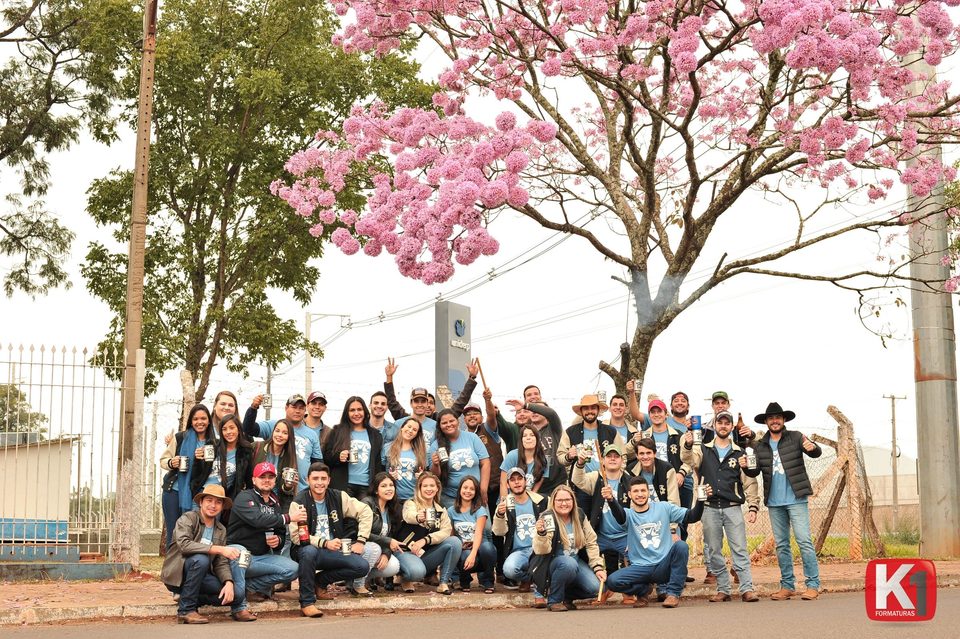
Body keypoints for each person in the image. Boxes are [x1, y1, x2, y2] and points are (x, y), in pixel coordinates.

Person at [681, 410, 761, 602]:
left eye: (727, 423)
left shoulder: (739, 452)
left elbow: (750, 482)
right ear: (715, 426)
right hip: (709, 508)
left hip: (732, 507)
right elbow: (688, 460)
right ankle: (723, 589)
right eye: (720, 423)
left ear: (731, 427)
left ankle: (746, 588)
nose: (723, 426)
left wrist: (753, 506)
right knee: (713, 550)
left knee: (739, 548)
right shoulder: (703, 449)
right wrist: (688, 444)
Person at [753, 401, 823, 601]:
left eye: (778, 417)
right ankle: (787, 585)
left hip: (796, 498)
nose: (774, 421)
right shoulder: (760, 445)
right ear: (766, 422)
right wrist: (745, 466)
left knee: (804, 541)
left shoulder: (795, 437)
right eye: (771, 418)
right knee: (782, 545)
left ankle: (813, 585)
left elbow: (815, 452)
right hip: (774, 501)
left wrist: (813, 447)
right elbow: (754, 471)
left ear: (783, 420)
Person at [605, 477, 706, 608]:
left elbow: (692, 516)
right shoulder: (628, 514)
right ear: (629, 494)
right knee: (612, 581)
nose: (640, 494)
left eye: (643, 490)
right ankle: (643, 591)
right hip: (640, 568)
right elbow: (619, 515)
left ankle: (673, 594)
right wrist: (611, 500)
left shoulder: (664, 508)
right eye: (635, 491)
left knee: (681, 546)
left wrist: (701, 500)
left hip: (663, 565)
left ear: (649, 492)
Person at [288, 462, 374, 617]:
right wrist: (325, 543)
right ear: (308, 480)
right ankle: (307, 602)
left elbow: (365, 511)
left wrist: (361, 540)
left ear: (329, 480)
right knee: (309, 551)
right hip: (305, 550)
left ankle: (320, 581)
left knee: (361, 566)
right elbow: (296, 537)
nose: (319, 482)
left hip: (332, 550)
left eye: (323, 478)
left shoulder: (339, 497)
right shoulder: (299, 502)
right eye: (315, 478)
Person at [161, 485, 256, 624]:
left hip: (203, 576)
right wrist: (217, 549)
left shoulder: (220, 529)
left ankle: (191, 598)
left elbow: (220, 562)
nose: (213, 505)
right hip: (179, 574)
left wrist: (228, 582)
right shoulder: (188, 518)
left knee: (238, 594)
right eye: (209, 500)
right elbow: (184, 545)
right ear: (201, 502)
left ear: (222, 506)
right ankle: (186, 610)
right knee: (201, 559)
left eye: (218, 502)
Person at [225, 462, 303, 603]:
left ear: (275, 480)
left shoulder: (275, 502)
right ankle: (239, 601)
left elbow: (280, 532)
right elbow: (258, 519)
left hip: (261, 557)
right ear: (254, 480)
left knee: (294, 569)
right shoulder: (244, 497)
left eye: (270, 477)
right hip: (238, 554)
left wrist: (278, 540)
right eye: (262, 477)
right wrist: (288, 517)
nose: (267, 480)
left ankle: (249, 587)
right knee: (241, 554)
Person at [570, 442, 635, 605]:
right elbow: (578, 480)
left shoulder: (630, 480)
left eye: (616, 456)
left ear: (622, 460)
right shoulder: (596, 477)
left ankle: (629, 591)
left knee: (634, 558)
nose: (612, 459)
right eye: (609, 456)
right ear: (603, 460)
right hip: (601, 535)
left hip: (624, 534)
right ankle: (603, 590)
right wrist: (580, 463)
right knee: (586, 555)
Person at [530, 485, 606, 612]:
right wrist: (541, 534)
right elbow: (541, 551)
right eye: (559, 500)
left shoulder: (579, 515)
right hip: (552, 563)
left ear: (573, 501)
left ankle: (566, 597)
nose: (564, 503)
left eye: (567, 500)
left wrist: (597, 567)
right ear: (553, 502)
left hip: (574, 561)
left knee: (597, 588)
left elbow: (591, 542)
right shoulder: (548, 517)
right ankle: (554, 600)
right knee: (568, 563)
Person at [160, 404, 216, 548]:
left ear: (209, 420)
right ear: (191, 421)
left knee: (193, 533)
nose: (199, 422)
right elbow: (163, 460)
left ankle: (190, 562)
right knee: (174, 532)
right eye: (195, 419)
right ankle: (172, 561)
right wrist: (172, 462)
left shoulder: (214, 442)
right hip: (174, 491)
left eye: (203, 418)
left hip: (198, 493)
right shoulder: (180, 438)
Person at [243, 394, 323, 492]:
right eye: (294, 407)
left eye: (301, 408)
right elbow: (248, 428)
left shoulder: (312, 434)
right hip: (273, 488)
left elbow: (318, 465)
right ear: (286, 408)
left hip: (302, 490)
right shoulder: (275, 425)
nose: (297, 411)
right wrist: (253, 408)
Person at [399, 472, 463, 593]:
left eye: (432, 486)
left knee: (455, 542)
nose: (429, 489)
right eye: (425, 486)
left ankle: (443, 583)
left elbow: (446, 531)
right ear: (419, 488)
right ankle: (405, 577)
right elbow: (408, 516)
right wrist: (418, 517)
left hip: (425, 554)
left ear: (437, 488)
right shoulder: (411, 503)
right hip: (406, 551)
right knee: (416, 572)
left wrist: (425, 540)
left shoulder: (440, 509)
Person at [492, 467, 548, 601]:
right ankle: (530, 578)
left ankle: (539, 587)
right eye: (512, 480)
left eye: (519, 479)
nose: (516, 482)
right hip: (520, 551)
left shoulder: (541, 500)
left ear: (525, 481)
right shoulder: (504, 504)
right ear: (508, 485)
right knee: (509, 570)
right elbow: (498, 532)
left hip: (539, 548)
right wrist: (500, 515)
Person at [558, 394, 622, 510]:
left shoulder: (611, 431)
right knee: (582, 517)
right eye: (586, 408)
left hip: (604, 483)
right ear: (581, 411)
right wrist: (568, 456)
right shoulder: (570, 432)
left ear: (598, 410)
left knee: (605, 515)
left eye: (593, 408)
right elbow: (560, 456)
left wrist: (616, 477)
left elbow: (623, 456)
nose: (589, 411)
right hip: (580, 485)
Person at [191, 414, 254, 526]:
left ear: (239, 429)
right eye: (224, 429)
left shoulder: (245, 451)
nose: (228, 432)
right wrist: (197, 458)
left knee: (210, 527)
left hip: (220, 496)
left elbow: (248, 479)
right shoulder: (213, 445)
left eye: (232, 428)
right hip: (203, 492)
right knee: (195, 526)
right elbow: (198, 472)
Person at [323, 396, 384, 499]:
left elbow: (377, 465)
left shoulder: (375, 435)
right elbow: (326, 457)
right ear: (347, 413)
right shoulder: (337, 431)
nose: (356, 413)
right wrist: (338, 456)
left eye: (359, 409)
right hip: (343, 485)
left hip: (366, 487)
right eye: (352, 410)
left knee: (365, 509)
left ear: (365, 411)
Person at [432, 408, 490, 507]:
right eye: (444, 423)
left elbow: (485, 463)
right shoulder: (435, 446)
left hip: (475, 494)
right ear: (439, 426)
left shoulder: (472, 438)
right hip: (450, 498)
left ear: (458, 421)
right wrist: (435, 464)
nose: (449, 424)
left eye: (451, 421)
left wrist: (483, 489)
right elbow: (435, 476)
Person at [449, 476, 496, 593]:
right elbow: (451, 536)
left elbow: (479, 534)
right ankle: (464, 581)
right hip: (463, 549)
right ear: (460, 489)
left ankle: (488, 581)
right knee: (464, 555)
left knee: (488, 548)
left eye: (472, 489)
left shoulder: (480, 510)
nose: (468, 491)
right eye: (465, 487)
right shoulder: (451, 511)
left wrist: (473, 553)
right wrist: (460, 547)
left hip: (480, 547)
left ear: (476, 492)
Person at [361, 472, 407, 590]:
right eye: (384, 486)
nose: (389, 489)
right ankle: (358, 581)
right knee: (374, 549)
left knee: (393, 566)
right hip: (361, 548)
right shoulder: (367, 504)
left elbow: (390, 536)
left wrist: (386, 554)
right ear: (376, 490)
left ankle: (367, 577)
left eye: (391, 485)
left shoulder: (392, 508)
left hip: (378, 550)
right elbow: (361, 533)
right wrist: (388, 541)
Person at [251, 419, 299, 508]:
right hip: (254, 499)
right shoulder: (257, 447)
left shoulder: (290, 457)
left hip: (275, 502)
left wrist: (288, 486)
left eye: (285, 433)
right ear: (273, 432)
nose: (280, 435)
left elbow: (285, 492)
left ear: (289, 437)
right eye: (277, 431)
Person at [382, 415, 430, 500]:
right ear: (402, 428)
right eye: (409, 426)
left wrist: (422, 476)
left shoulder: (422, 452)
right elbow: (380, 471)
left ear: (417, 434)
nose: (410, 431)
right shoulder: (387, 447)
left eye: (414, 430)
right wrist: (388, 476)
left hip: (414, 498)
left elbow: (427, 474)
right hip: (391, 497)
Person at [500, 424, 547, 497]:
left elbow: (536, 487)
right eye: (524, 436)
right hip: (509, 497)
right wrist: (504, 501)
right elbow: (503, 483)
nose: (528, 438)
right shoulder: (512, 455)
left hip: (527, 498)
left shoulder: (543, 460)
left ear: (537, 439)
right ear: (521, 440)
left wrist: (529, 500)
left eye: (532, 435)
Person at [634, 437, 680, 506]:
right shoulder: (630, 471)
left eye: (648, 453)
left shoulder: (667, 469)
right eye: (641, 453)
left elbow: (674, 502)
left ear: (654, 454)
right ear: (637, 455)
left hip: (664, 511)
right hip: (639, 511)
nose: (645, 457)